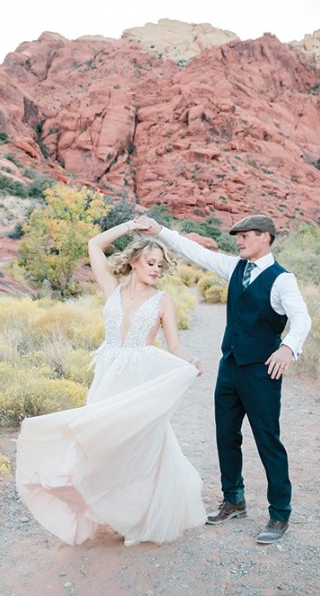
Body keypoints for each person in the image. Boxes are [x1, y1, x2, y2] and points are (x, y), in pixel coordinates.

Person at [16, 219, 206, 547]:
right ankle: (101, 505)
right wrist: (132, 225)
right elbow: (94, 244)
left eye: (161, 265)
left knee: (136, 446)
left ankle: (134, 516)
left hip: (139, 378)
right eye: (150, 263)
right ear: (133, 262)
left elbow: (174, 344)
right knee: (98, 441)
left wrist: (190, 360)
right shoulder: (111, 288)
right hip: (107, 375)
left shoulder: (163, 301)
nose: (156, 269)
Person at [138, 214, 311, 544]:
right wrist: (159, 231)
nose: (239, 241)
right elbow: (196, 252)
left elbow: (302, 319)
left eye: (245, 236)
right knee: (226, 435)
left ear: (265, 238)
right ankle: (233, 500)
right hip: (230, 366)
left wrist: (288, 347)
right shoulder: (235, 268)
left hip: (262, 372)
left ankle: (280, 514)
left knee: (267, 440)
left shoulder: (282, 280)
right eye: (238, 236)